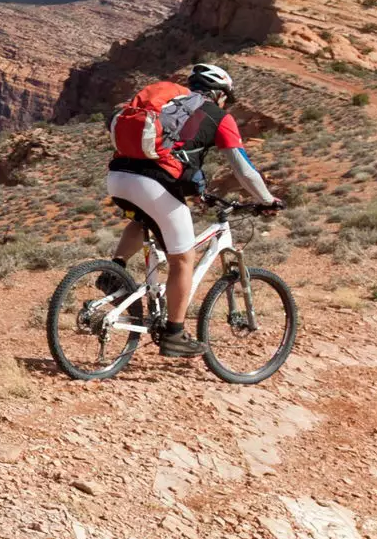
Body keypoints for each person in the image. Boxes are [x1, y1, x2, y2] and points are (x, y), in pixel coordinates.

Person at [105, 62, 280, 359]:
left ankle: (114, 271)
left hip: (118, 176)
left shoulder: (169, 101)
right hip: (154, 183)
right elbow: (244, 171)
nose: (226, 103)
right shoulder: (219, 117)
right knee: (183, 259)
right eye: (226, 98)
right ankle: (174, 334)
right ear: (219, 94)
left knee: (145, 219)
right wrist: (266, 199)